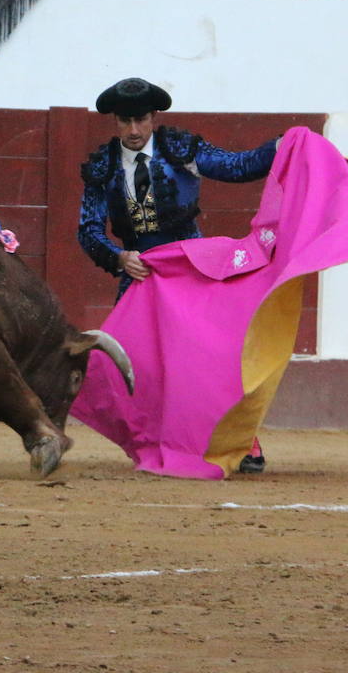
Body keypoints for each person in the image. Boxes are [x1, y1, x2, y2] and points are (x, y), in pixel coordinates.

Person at [77, 77, 279, 472]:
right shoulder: (102, 167)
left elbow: (236, 167)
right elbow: (88, 229)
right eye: (125, 121)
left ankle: (243, 442)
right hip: (141, 274)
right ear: (115, 122)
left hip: (191, 269)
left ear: (153, 118)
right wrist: (119, 258)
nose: (133, 131)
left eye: (141, 120)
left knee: (210, 358)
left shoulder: (179, 149)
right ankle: (156, 440)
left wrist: (279, 148)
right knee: (136, 362)